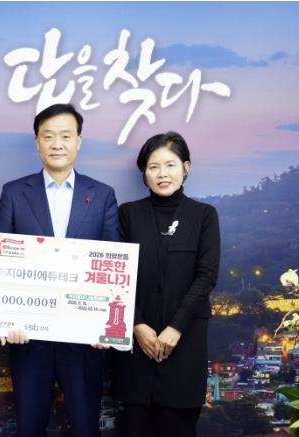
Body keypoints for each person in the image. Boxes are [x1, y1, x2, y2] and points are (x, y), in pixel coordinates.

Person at [0, 103, 120, 437]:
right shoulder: (14, 193)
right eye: (48, 136)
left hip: (85, 340)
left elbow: (113, 264)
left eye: (65, 136)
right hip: (29, 337)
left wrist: (106, 326)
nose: (57, 144)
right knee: (29, 427)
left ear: (78, 141)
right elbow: (1, 263)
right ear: (37, 142)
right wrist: (7, 319)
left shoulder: (102, 195)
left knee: (85, 427)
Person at [111, 132, 220, 437]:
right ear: (144, 173)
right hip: (137, 347)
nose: (162, 174)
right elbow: (116, 274)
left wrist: (175, 328)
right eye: (153, 167)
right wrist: (136, 325)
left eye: (170, 165)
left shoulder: (204, 216)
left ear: (186, 167)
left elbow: (206, 276)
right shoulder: (127, 214)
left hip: (184, 343)